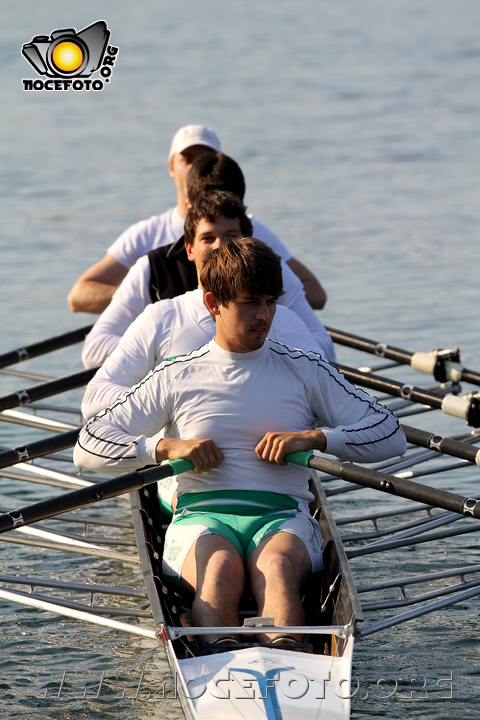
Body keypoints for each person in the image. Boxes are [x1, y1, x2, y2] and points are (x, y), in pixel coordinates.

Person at [74, 238, 406, 645]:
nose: (264, 315)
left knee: (279, 569)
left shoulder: (305, 369)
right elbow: (89, 445)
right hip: (200, 516)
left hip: (284, 516)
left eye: (271, 302)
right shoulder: (177, 374)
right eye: (250, 302)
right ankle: (220, 661)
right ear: (214, 303)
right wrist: (163, 448)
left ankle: (283, 662)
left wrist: (317, 437)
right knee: (219, 567)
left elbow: (391, 433)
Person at [68, 124, 325, 313]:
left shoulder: (254, 231)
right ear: (171, 167)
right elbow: (78, 296)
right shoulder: (145, 235)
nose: (194, 167)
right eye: (187, 159)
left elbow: (315, 294)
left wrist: (253, 305)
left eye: (203, 159)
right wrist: (152, 301)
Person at [81, 191, 335, 369]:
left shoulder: (274, 283)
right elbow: (94, 351)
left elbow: (322, 353)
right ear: (189, 249)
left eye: (231, 236)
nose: (220, 247)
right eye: (207, 238)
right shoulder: (161, 313)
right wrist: (161, 366)